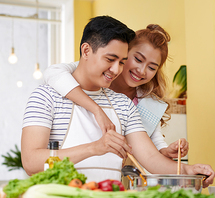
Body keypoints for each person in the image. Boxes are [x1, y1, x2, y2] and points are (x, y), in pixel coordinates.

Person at [22, 15, 215, 187]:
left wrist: (190, 171)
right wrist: (94, 148)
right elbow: (31, 162)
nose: (116, 70)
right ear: (86, 51)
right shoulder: (46, 96)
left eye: (122, 62)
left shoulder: (123, 104)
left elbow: (150, 158)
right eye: (110, 59)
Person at [44, 24, 188, 159]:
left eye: (151, 68)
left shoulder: (148, 102)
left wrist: (166, 151)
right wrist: (97, 110)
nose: (142, 71)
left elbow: (154, 142)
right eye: (138, 59)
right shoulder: (95, 76)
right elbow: (53, 72)